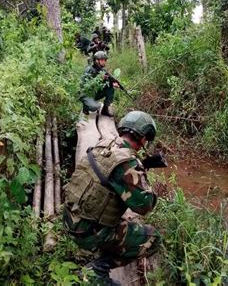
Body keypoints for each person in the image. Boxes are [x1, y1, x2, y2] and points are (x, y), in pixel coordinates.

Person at [63, 110, 161, 285]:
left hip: (70, 219)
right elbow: (145, 206)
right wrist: (142, 174)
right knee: (153, 238)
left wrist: (140, 167)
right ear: (143, 138)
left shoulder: (103, 145)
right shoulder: (128, 163)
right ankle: (97, 270)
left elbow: (111, 177)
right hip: (88, 233)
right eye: (147, 139)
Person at [80, 51, 119, 117]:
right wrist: (99, 79)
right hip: (87, 94)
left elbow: (107, 81)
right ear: (96, 60)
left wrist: (112, 83)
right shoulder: (89, 69)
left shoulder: (102, 70)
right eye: (102, 60)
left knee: (110, 89)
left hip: (95, 92)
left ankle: (105, 110)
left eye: (105, 60)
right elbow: (84, 86)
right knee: (95, 107)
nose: (104, 62)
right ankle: (85, 107)